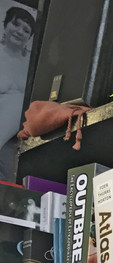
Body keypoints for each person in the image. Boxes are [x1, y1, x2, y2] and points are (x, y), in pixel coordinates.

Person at [0, 6, 35, 180]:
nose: (20, 31)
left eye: (26, 30)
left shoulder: (31, 65)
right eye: (16, 24)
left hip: (19, 131)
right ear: (5, 25)